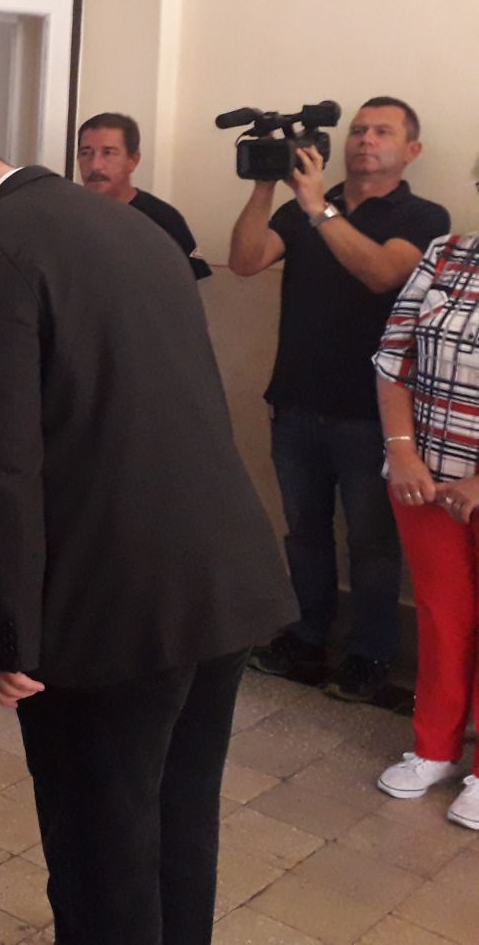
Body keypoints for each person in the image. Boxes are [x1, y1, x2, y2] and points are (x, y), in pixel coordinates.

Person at [0, 138, 293, 945]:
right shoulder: (131, 226)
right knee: (179, 818)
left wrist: (0, 634)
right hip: (219, 574)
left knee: (99, 847)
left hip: (108, 601)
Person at [230, 97, 450, 701]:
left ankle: (370, 656)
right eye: (357, 130)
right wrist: (265, 186)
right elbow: (244, 261)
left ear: (411, 150)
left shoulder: (423, 216)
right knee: (303, 533)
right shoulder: (301, 208)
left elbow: (383, 273)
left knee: (373, 546)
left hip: (374, 415)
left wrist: (317, 208)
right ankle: (306, 639)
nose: (364, 140)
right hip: (296, 402)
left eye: (382, 132)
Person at [372, 213, 479, 827]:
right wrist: (403, 452)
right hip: (427, 480)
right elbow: (394, 357)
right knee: (442, 615)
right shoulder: (447, 252)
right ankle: (435, 748)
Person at [77, 111, 211, 278]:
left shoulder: (162, 219)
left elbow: (193, 285)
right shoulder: (65, 216)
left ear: (133, 160)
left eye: (108, 152)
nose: (95, 165)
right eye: (86, 153)